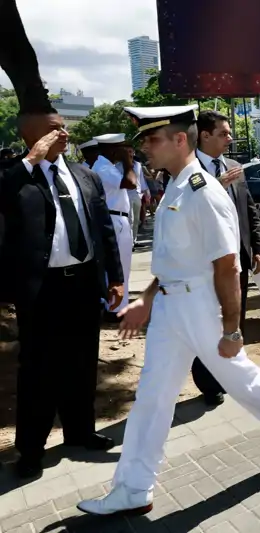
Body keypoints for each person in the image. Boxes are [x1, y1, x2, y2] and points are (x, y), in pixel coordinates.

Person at [77, 104, 260, 516]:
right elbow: (174, 260)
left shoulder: (203, 192)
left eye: (152, 140)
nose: (144, 149)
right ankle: (133, 487)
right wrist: (148, 298)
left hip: (201, 308)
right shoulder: (173, 186)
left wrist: (232, 329)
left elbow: (227, 266)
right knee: (152, 398)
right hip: (172, 308)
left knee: (241, 379)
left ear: (179, 140)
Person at [0, 108, 123, 478]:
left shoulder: (85, 175)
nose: (65, 134)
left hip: (84, 282)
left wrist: (114, 278)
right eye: (56, 130)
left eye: (65, 128)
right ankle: (31, 451)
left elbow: (104, 230)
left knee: (84, 361)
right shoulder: (16, 176)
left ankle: (80, 431)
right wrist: (31, 160)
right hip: (42, 288)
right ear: (33, 135)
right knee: (38, 370)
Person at [191, 109, 260, 406]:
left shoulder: (234, 165)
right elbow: (186, 211)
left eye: (229, 133)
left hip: (237, 260)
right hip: (206, 264)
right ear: (205, 135)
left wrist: (258, 248)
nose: (230, 139)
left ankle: (231, 374)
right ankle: (209, 385)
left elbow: (250, 211)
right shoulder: (188, 169)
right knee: (208, 324)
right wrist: (216, 187)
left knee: (234, 322)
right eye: (223, 133)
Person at [92, 134, 137, 317]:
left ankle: (116, 307)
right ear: (112, 149)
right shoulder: (103, 167)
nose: (127, 151)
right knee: (118, 267)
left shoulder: (107, 166)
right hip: (114, 219)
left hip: (118, 218)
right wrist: (128, 163)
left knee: (121, 266)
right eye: (122, 148)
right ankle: (114, 309)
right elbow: (130, 183)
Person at [125, 147, 150, 248]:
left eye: (131, 152)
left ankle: (134, 240)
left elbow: (141, 180)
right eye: (128, 152)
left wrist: (146, 192)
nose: (130, 154)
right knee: (129, 219)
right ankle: (129, 242)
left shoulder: (138, 165)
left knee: (136, 219)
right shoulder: (119, 166)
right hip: (126, 194)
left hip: (137, 194)